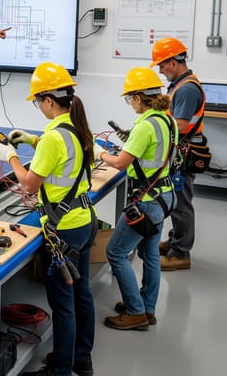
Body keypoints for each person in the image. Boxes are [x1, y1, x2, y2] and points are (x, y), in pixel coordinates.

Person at [0, 62, 96, 376]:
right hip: (84, 221)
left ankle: (61, 370)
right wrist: (30, 140)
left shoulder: (54, 137)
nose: (38, 107)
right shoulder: (75, 126)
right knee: (82, 293)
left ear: (49, 100)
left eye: (38, 101)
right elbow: (63, 154)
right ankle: (82, 358)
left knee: (63, 305)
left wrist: (10, 156)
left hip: (63, 231)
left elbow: (29, 183)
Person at [97, 67, 177, 330]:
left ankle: (135, 312)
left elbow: (120, 163)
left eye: (130, 97)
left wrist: (99, 154)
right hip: (164, 196)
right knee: (150, 252)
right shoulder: (167, 120)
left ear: (139, 97)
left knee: (116, 252)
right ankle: (147, 308)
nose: (130, 102)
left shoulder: (144, 126)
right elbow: (155, 154)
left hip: (147, 202)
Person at [151, 37, 204, 271]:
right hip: (178, 152)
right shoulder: (179, 86)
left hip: (184, 153)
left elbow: (180, 126)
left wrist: (152, 128)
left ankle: (181, 253)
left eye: (162, 65)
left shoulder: (187, 89)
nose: (161, 70)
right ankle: (174, 240)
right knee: (174, 201)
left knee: (181, 203)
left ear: (174, 62)